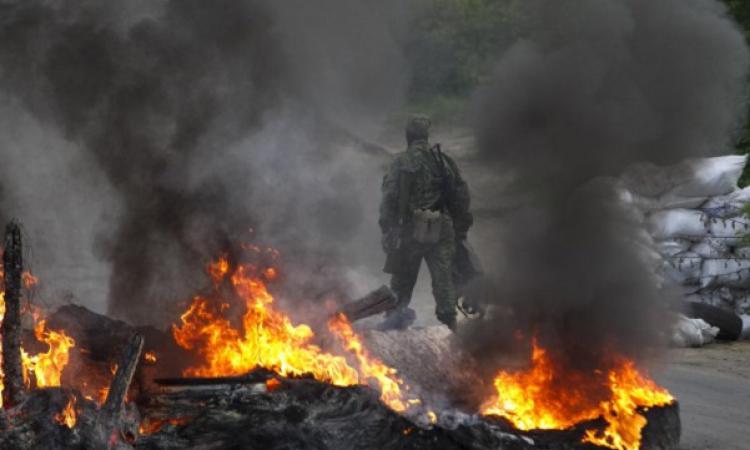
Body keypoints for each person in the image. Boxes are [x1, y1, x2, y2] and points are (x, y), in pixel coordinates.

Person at [378, 115, 473, 330]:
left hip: (411, 228)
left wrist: (387, 227)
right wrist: (460, 225)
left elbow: (389, 197)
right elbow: (461, 194)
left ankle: (395, 322)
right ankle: (450, 323)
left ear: (408, 137)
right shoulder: (443, 160)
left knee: (402, 279)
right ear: (425, 136)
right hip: (441, 225)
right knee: (443, 278)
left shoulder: (400, 162)